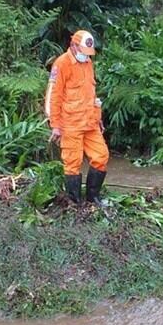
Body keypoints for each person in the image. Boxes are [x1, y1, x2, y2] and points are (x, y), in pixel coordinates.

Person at [45, 30, 109, 205]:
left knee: (101, 156)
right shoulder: (61, 64)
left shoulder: (88, 63)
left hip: (90, 123)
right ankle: (74, 201)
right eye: (82, 52)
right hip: (70, 125)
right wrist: (55, 125)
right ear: (73, 45)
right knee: (73, 163)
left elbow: (91, 94)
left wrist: (98, 118)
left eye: (88, 53)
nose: (85, 56)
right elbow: (53, 97)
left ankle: (92, 198)